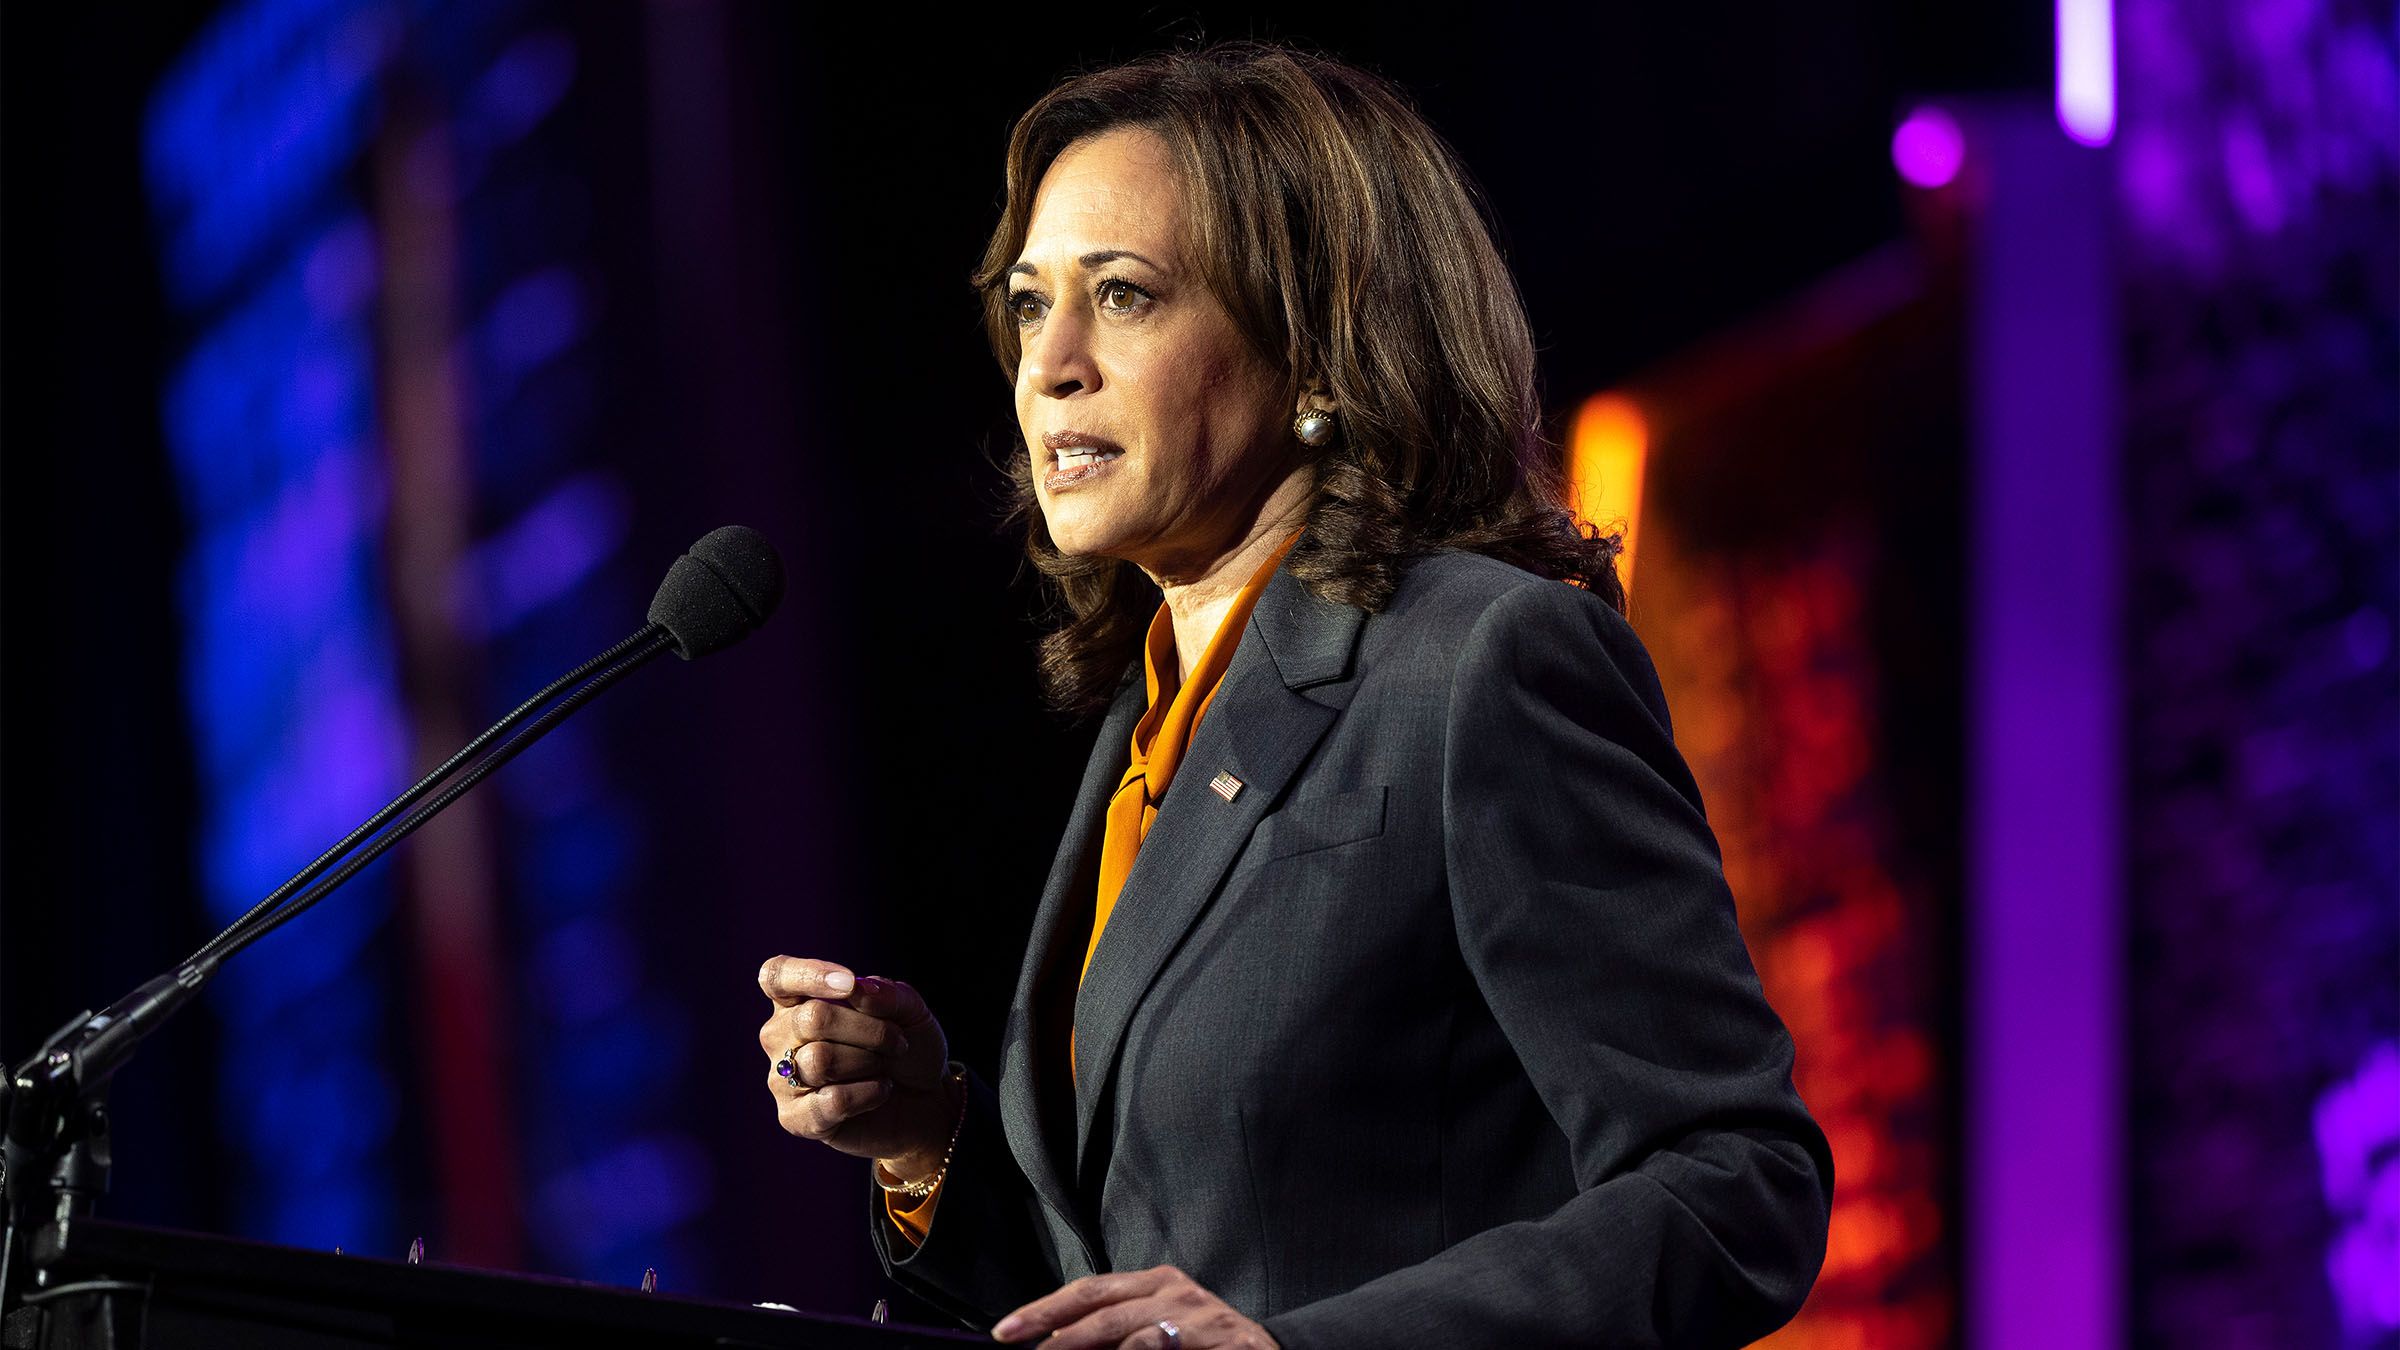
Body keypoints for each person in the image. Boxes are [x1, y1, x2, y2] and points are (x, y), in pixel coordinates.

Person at [754, 43, 1833, 1350]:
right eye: (1033, 307)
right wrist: (928, 1135)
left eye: (1125, 296)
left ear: (1317, 351)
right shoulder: (1149, 727)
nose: (1052, 364)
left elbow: (1736, 1188)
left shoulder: (1482, 662)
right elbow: (1144, 1269)